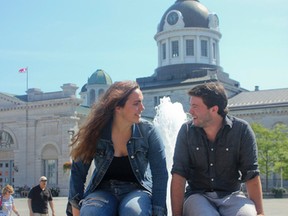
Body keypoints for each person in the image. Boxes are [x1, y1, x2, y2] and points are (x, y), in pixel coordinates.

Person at [68, 80, 168, 216]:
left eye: (141, 102)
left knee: (134, 212)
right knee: (92, 212)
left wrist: (158, 211)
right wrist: (76, 208)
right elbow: (78, 172)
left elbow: (160, 174)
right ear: (118, 107)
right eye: (136, 103)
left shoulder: (149, 132)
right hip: (102, 190)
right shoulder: (96, 132)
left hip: (137, 190)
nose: (142, 108)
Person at [171, 82, 264, 216]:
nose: (190, 111)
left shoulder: (242, 130)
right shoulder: (186, 131)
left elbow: (251, 174)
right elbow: (179, 175)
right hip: (198, 196)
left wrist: (260, 213)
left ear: (214, 109)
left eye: (195, 106)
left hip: (232, 195)